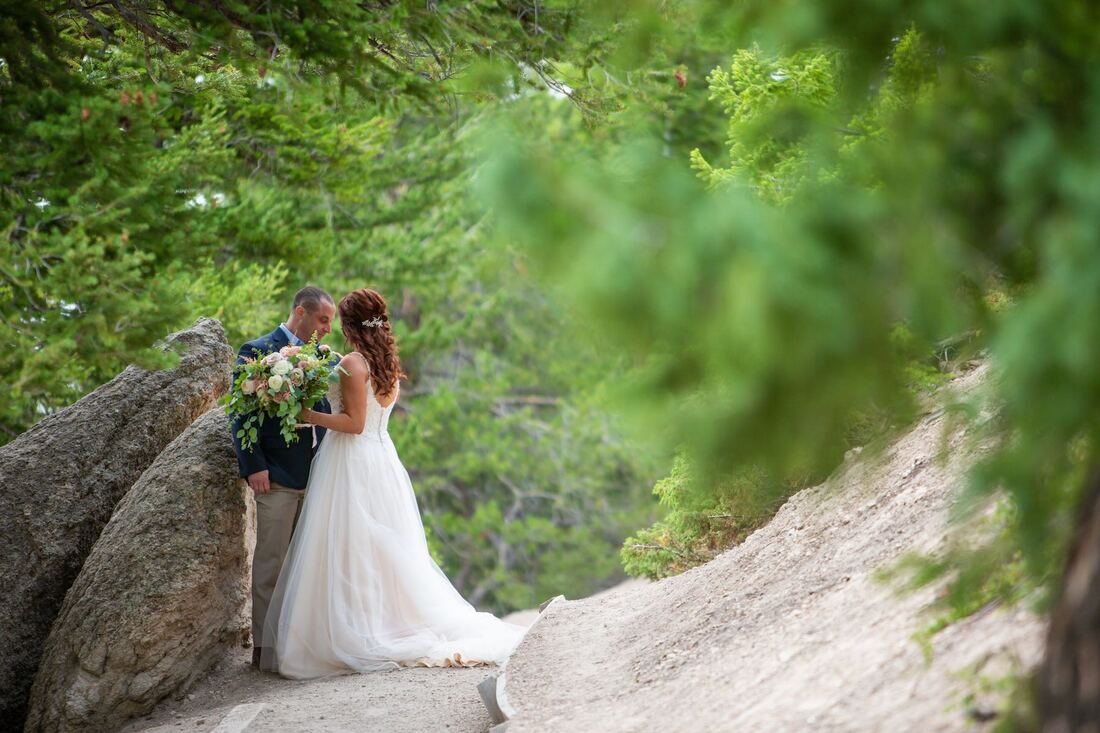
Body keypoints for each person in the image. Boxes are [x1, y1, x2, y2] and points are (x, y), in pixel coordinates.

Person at [260, 288, 526, 678]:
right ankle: (377, 618)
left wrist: (308, 415)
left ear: (351, 325)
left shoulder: (354, 363)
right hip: (381, 458)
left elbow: (353, 424)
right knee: (375, 546)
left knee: (350, 546)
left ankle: (360, 627)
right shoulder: (386, 362)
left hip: (351, 459)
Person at [230, 285, 336, 668]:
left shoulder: (321, 357)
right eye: (323, 319)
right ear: (300, 312)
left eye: (330, 322)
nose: (327, 329)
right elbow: (239, 412)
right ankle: (265, 649)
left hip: (318, 474)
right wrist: (253, 464)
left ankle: (298, 647)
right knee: (270, 564)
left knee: (305, 567)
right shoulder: (256, 350)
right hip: (275, 474)